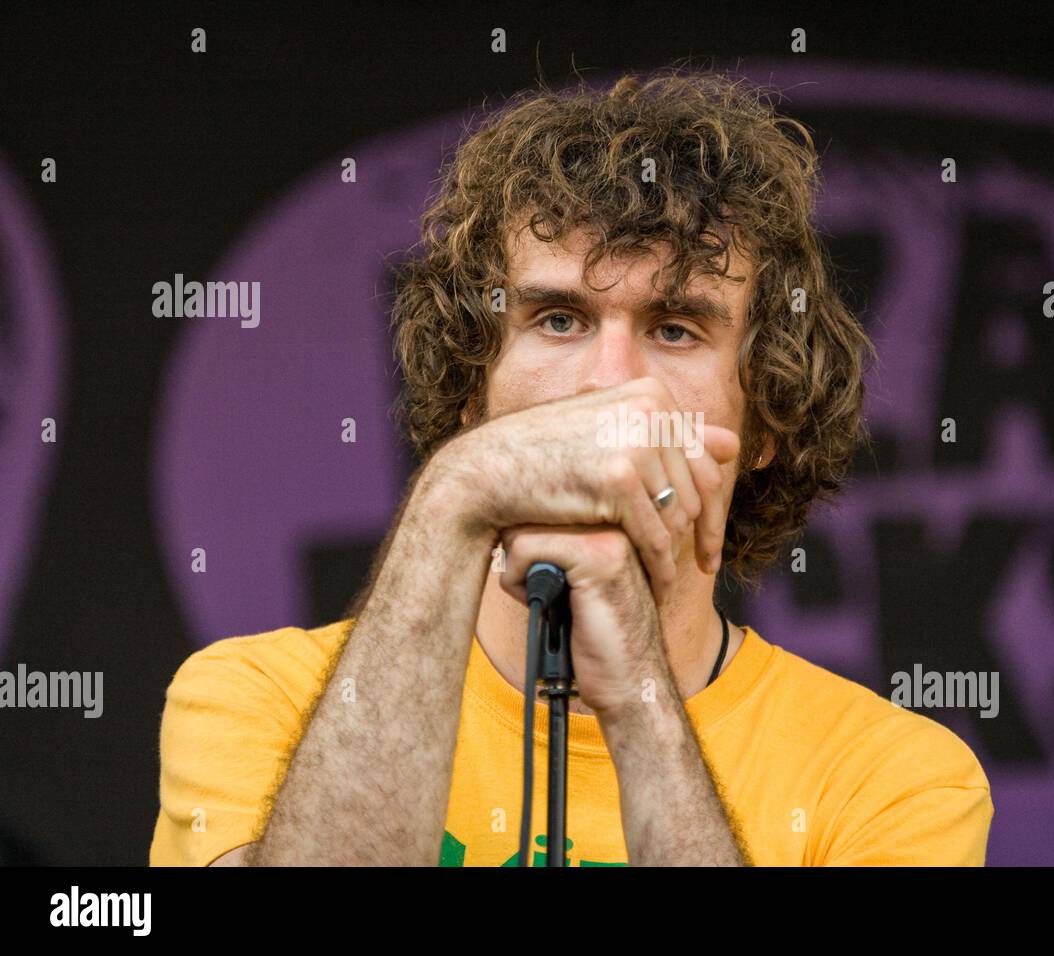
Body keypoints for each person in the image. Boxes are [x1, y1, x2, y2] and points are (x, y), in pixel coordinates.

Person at [149, 67, 993, 867]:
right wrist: (450, 497)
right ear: (470, 392)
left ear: (765, 416)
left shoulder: (898, 778)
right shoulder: (261, 698)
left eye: (676, 329)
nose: (609, 381)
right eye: (558, 319)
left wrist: (635, 690)